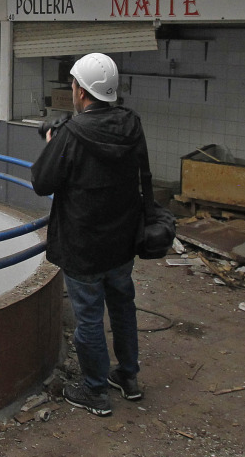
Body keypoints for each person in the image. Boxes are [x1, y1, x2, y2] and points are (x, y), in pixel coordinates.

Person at [31, 52, 153, 417]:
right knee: (122, 307)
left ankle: (95, 390)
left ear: (81, 92)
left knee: (88, 319)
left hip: (84, 244)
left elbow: (41, 182)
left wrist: (52, 142)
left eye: (73, 85)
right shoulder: (132, 124)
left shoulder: (72, 134)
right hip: (122, 240)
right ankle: (128, 378)